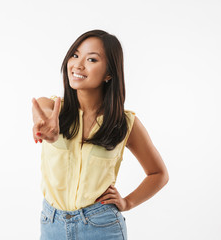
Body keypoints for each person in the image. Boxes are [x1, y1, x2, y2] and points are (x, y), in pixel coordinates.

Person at [31, 29, 169, 240]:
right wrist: (45, 127)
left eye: (91, 59)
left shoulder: (124, 123)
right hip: (52, 225)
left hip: (101, 226)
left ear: (109, 73)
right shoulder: (51, 107)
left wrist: (127, 202)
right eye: (75, 55)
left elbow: (159, 174)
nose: (77, 65)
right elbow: (42, 114)